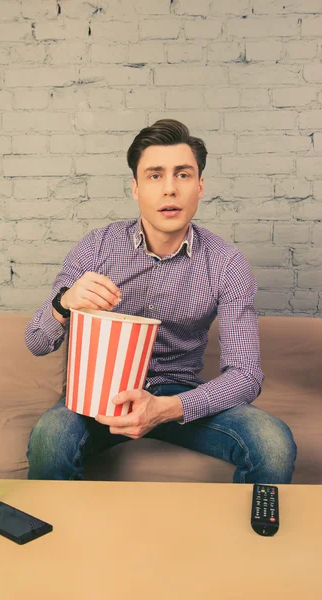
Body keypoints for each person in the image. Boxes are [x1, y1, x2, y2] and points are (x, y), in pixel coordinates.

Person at [25, 119, 297, 484]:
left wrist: (166, 408)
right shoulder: (96, 248)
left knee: (273, 442)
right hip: (100, 398)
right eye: (155, 176)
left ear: (200, 186)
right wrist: (65, 303)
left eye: (182, 175)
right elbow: (35, 342)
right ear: (136, 188)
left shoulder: (227, 264)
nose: (170, 189)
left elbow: (246, 376)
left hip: (178, 396)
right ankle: (58, 536)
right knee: (50, 437)